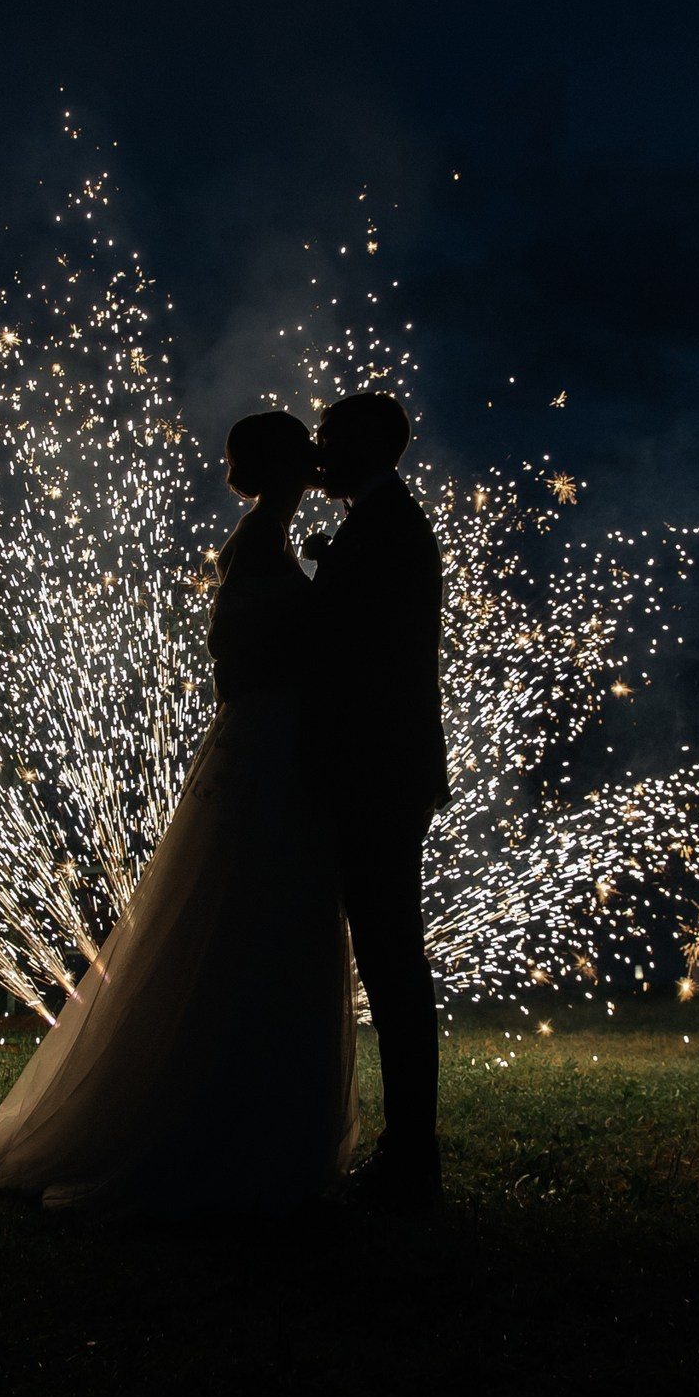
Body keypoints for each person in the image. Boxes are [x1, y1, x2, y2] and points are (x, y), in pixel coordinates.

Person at [0, 411, 357, 1214]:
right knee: (257, 919)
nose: (318, 457)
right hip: (270, 746)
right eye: (306, 449)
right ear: (288, 467)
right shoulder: (264, 544)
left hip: (265, 743)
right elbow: (246, 659)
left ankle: (239, 1110)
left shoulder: (260, 538)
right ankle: (231, 1124)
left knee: (248, 919)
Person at [304, 390, 449, 1211]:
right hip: (382, 766)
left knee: (392, 957)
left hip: (379, 770)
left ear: (368, 445)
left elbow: (357, 650)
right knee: (389, 955)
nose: (319, 449)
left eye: (330, 436)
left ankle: (411, 1155)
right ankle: (408, 1150)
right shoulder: (381, 520)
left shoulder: (390, 527)